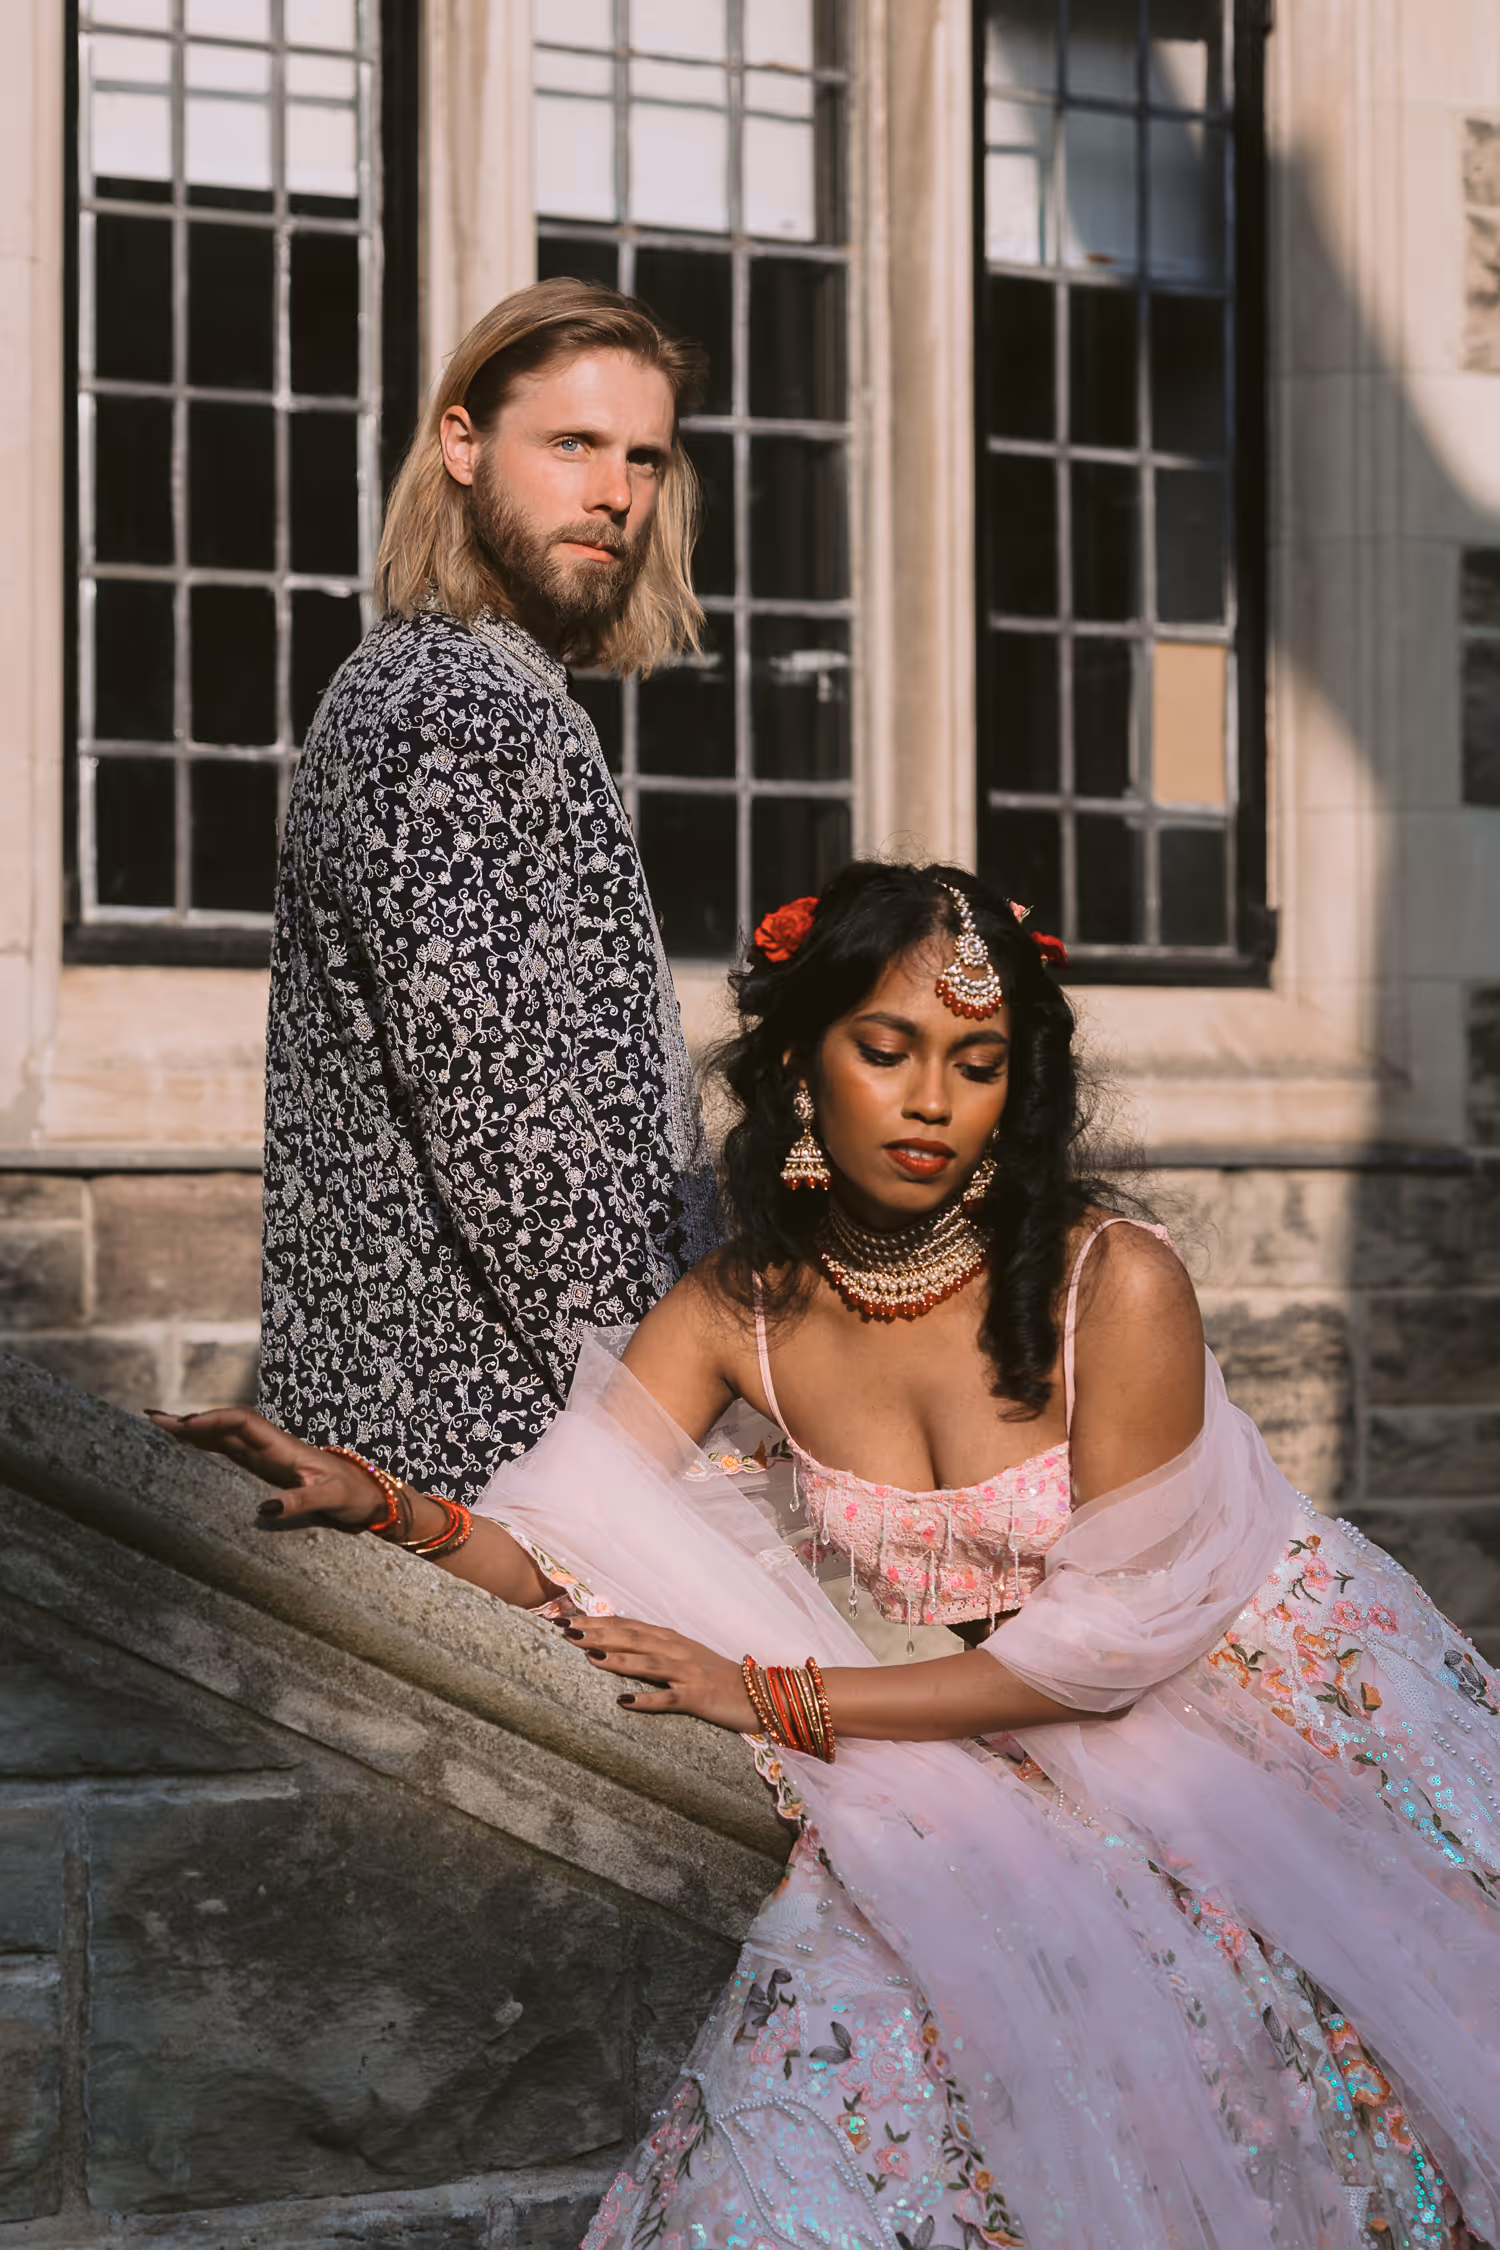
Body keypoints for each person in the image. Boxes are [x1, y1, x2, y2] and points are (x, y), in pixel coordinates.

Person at [157, 862, 1500, 2250]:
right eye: (887, 1048)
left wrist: (774, 1692)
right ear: (802, 1058)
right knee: (840, 2052)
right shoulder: (741, 1304)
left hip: (1295, 1727)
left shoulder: (1119, 1279)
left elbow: (1108, 1650)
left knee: (1355, 2110)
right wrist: (385, 1505)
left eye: (978, 1064)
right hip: (1015, 1743)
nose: (932, 1101)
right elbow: (556, 1537)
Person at [258, 278, 718, 1504]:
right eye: (570, 444)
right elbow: (514, 1142)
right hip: (497, 1443)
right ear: (461, 443)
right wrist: (682, 1424)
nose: (614, 493)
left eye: (644, 458)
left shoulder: (479, 689)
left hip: (503, 1425)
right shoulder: (450, 708)